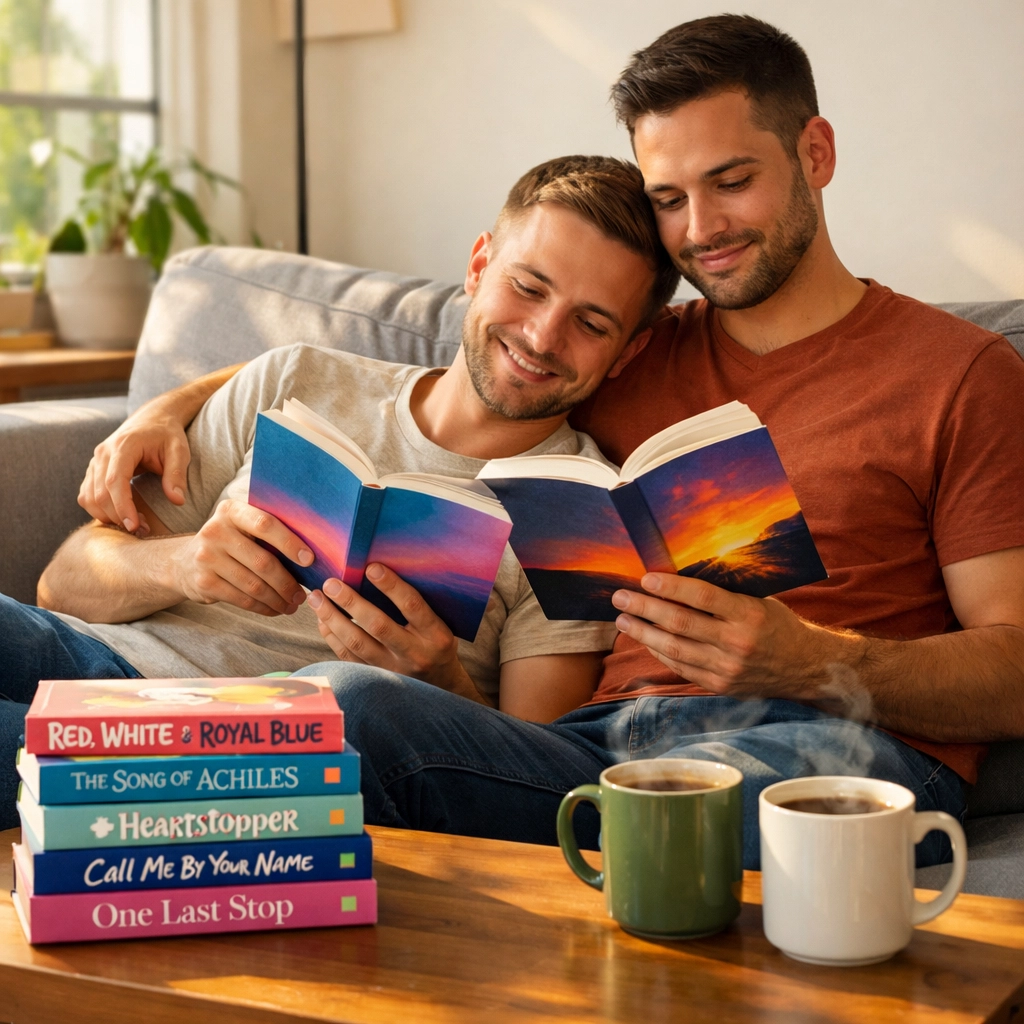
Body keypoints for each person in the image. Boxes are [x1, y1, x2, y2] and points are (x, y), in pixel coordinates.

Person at [73, 16, 1024, 868]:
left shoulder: (959, 375)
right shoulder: (625, 345)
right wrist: (163, 409)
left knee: (359, 713)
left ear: (815, 153)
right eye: (669, 198)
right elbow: (426, 362)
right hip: (591, 747)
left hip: (816, 739)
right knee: (351, 705)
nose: (701, 231)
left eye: (732, 182)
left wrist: (808, 658)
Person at [0, 155, 681, 831]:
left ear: (625, 353)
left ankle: (105, 794)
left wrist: (441, 681)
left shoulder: (579, 511)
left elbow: (519, 770)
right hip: (102, 668)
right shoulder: (296, 379)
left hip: (270, 754)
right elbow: (61, 586)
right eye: (528, 287)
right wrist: (178, 562)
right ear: (479, 267)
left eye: (592, 324)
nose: (541, 336)